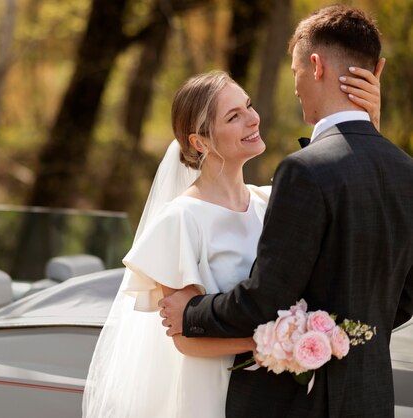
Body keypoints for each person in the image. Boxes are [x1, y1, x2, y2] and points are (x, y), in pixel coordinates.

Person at [82, 47, 382, 418]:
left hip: (277, 398)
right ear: (200, 142)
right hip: (215, 393)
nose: (253, 119)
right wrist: (287, 341)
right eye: (234, 116)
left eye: (249, 106)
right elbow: (187, 338)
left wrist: (371, 127)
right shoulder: (181, 221)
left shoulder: (271, 201)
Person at [159, 5, 413, 418]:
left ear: (315, 66)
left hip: (299, 404)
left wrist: (191, 313)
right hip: (371, 397)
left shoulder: (305, 170)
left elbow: (267, 298)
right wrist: (347, 331)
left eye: (295, 70)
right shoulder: (405, 170)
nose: (294, 86)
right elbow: (405, 293)